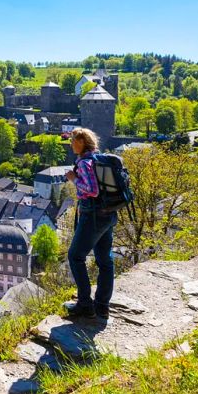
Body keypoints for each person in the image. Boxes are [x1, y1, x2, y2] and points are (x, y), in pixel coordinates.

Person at [64, 127, 117, 320]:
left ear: (81, 142)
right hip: (108, 214)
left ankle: (85, 304)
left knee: (75, 256)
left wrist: (73, 179)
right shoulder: (100, 160)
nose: (71, 144)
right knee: (105, 260)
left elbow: (92, 190)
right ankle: (102, 306)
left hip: (93, 216)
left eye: (73, 141)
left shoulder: (85, 163)